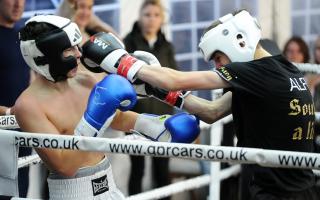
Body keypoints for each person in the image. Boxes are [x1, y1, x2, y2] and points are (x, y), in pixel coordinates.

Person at [80, 10, 320, 200]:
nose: (217, 66)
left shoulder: (257, 72)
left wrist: (121, 61)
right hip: (295, 187)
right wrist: (161, 92)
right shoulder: (285, 70)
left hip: (275, 192)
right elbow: (212, 112)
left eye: (217, 57)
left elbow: (176, 79)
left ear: (238, 41)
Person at [14, 14, 200, 200]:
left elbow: (115, 116)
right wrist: (92, 120)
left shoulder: (83, 79)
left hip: (108, 185)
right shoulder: (28, 106)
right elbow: (64, 166)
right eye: (69, 50)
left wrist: (154, 127)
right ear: (43, 56)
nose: (79, 54)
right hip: (72, 193)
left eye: (77, 46)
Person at [123, 0, 177, 197]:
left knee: (162, 169)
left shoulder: (167, 46)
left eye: (156, 15)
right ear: (139, 17)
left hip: (163, 118)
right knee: (137, 169)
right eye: (147, 14)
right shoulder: (128, 44)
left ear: (162, 18)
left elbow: (175, 78)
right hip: (135, 118)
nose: (151, 19)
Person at [0, 0, 31, 197]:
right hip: (2, 130)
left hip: (22, 129)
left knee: (20, 192)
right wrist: (8, 112)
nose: (19, 3)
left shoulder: (24, 36)